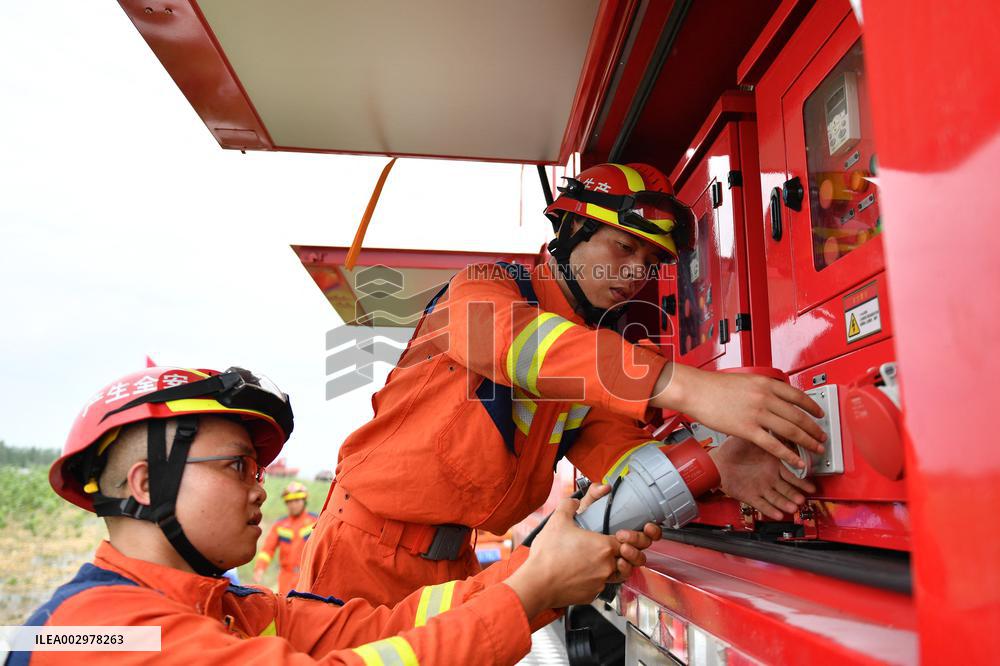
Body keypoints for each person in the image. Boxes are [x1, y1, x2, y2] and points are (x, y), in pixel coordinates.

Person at [299, 162, 823, 606]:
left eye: (650, 263)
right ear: (570, 231)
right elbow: (513, 345)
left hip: (450, 565)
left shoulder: (588, 356)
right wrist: (688, 387)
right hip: (363, 553)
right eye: (623, 248)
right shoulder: (485, 289)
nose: (634, 274)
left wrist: (717, 466)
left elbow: (623, 459)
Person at [10, 366, 660, 665]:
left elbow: (391, 626)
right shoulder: (89, 636)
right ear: (148, 483)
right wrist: (531, 590)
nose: (261, 490)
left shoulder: (227, 607)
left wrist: (540, 570)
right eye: (239, 466)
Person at [254, 481, 318, 593]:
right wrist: (260, 568)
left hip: (308, 575)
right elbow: (268, 549)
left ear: (304, 501)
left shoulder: (316, 521)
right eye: (289, 501)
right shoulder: (280, 525)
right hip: (286, 578)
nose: (293, 505)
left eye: (297, 500)